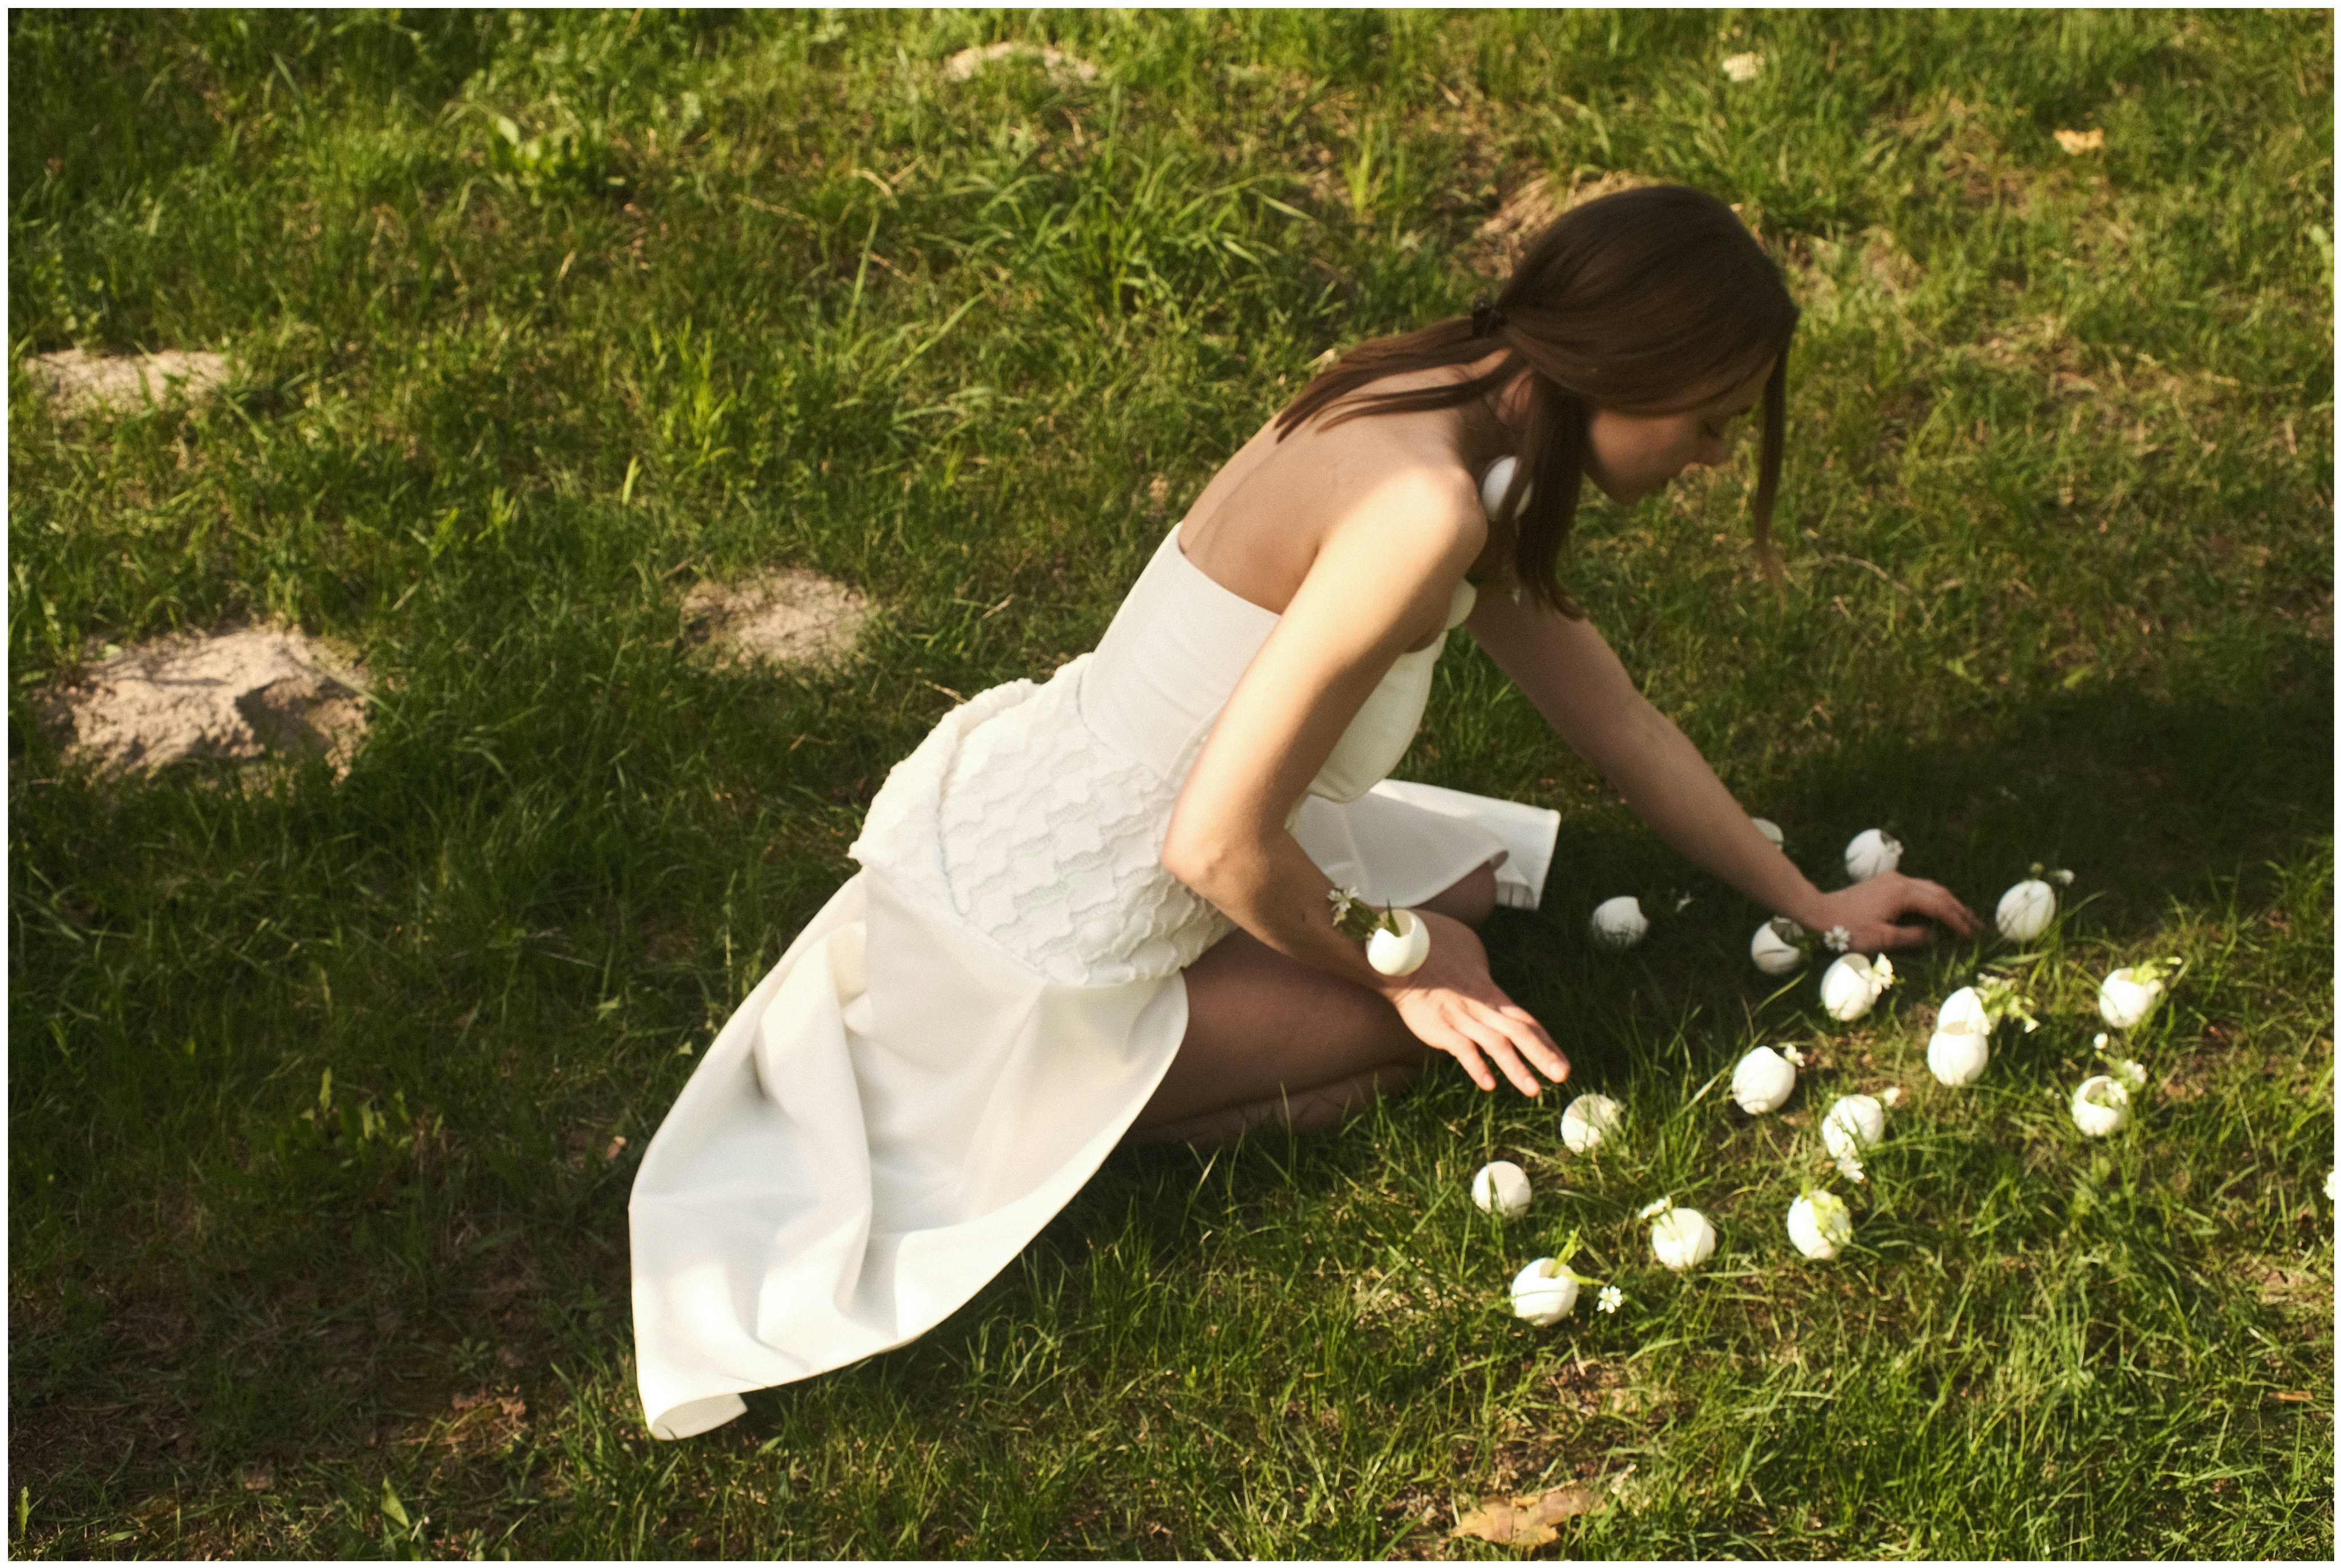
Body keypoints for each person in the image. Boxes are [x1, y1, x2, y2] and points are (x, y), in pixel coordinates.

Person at [628, 184, 1979, 1440]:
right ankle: (1058, 1138)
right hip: (1052, 946)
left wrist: (1806, 900)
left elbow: (1609, 714)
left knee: (1467, 898)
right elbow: (1211, 844)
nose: (1707, 457)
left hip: (1049, 811)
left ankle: (1215, 1034)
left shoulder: (1452, 391)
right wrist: (1397, 968)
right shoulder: (1422, 508)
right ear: (1632, 374)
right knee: (1415, 1038)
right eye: (1709, 423)